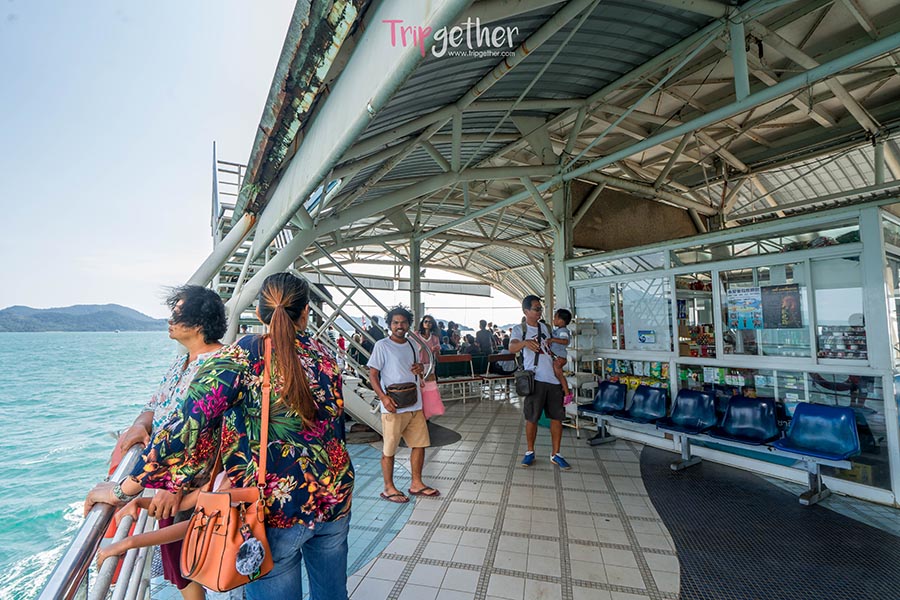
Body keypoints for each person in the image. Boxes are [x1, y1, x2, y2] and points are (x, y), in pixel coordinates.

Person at [86, 272, 354, 600]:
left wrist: (122, 491)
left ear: (258, 313)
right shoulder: (326, 359)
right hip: (335, 499)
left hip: (272, 513)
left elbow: (184, 429)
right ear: (306, 312)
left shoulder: (241, 357)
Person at [115, 285, 226, 600]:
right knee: (181, 569)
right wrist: (139, 425)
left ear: (199, 323)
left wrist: (174, 482)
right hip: (167, 479)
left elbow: (212, 433)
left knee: (190, 565)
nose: (170, 320)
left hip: (191, 485)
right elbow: (154, 404)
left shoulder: (220, 364)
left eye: (177, 314)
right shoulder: (182, 363)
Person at [97, 471, 243, 600]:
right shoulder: (221, 476)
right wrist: (139, 502)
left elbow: (189, 526)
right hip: (219, 568)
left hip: (229, 570)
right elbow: (186, 503)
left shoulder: (232, 477)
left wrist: (128, 543)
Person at [368, 306, 440, 503]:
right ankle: (388, 487)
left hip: (414, 404)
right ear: (389, 325)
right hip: (393, 405)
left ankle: (416, 483)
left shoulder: (411, 345)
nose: (399, 326)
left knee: (420, 445)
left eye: (403, 322)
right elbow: (373, 374)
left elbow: (416, 370)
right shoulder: (382, 346)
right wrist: (383, 398)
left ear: (409, 324)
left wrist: (419, 369)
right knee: (389, 448)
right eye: (395, 323)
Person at [509, 295, 571, 470]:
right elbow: (512, 347)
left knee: (557, 418)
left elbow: (559, 345)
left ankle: (556, 454)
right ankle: (530, 452)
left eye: (540, 309)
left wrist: (562, 360)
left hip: (553, 379)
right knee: (532, 418)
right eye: (536, 309)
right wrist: (524, 343)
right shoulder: (519, 329)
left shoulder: (546, 327)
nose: (539, 312)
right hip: (534, 380)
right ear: (526, 311)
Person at [547, 308, 574, 405]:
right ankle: (563, 390)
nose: (554, 320)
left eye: (555, 318)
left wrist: (553, 340)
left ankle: (567, 393)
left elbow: (565, 341)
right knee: (557, 375)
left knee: (559, 375)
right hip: (558, 356)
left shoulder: (563, 331)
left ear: (561, 320)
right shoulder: (558, 330)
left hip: (560, 357)